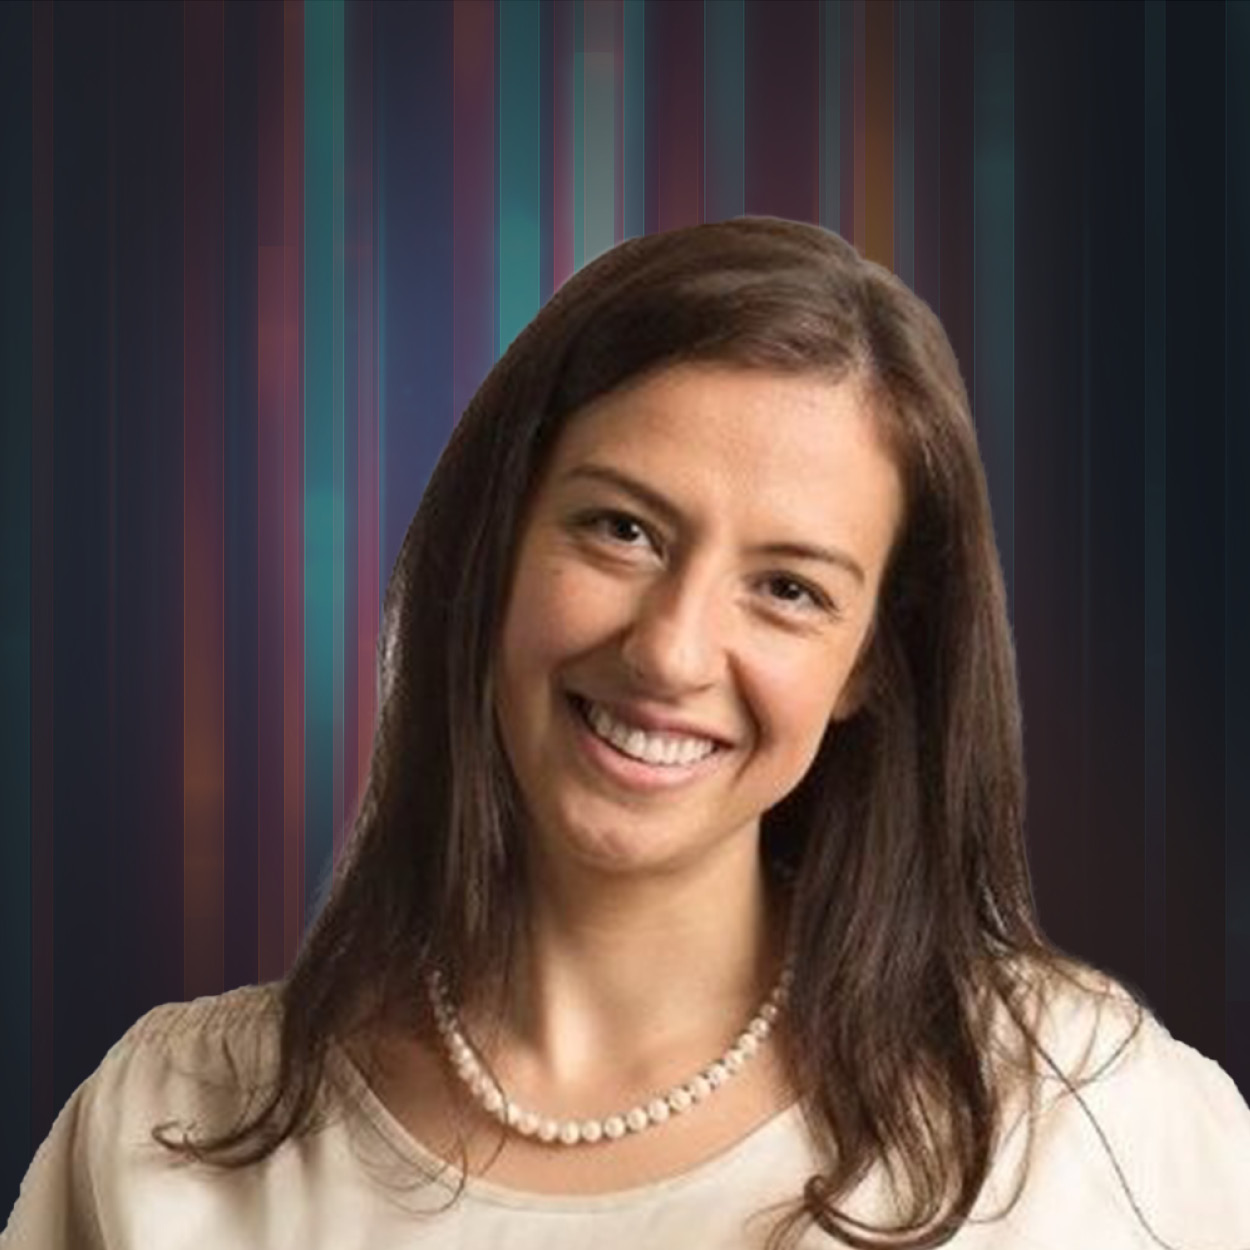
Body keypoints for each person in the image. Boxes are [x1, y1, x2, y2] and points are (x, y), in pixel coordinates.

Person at [4, 217, 1249, 1250]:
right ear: (495, 541)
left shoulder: (1086, 1121)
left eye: (789, 587)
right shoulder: (167, 1135)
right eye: (621, 529)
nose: (667, 649)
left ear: (871, 661)